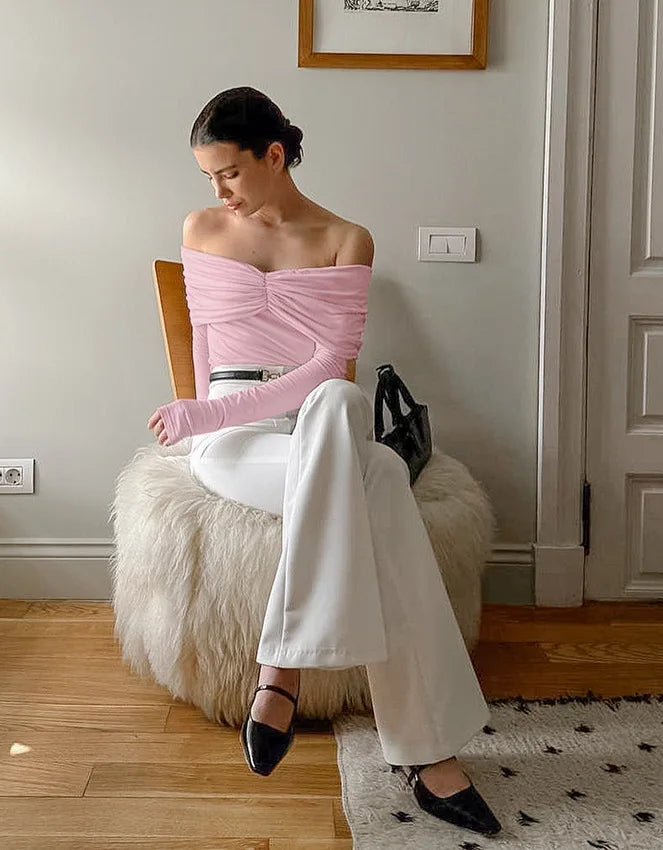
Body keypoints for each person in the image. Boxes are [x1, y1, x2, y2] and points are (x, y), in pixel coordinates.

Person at [147, 86, 501, 838]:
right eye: (208, 176)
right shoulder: (202, 228)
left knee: (341, 402)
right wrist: (204, 415)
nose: (219, 192)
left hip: (313, 421)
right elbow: (206, 351)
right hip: (234, 437)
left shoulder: (347, 238)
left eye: (230, 173)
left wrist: (201, 412)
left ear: (275, 155)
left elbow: (329, 367)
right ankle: (429, 753)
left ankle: (281, 670)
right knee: (382, 481)